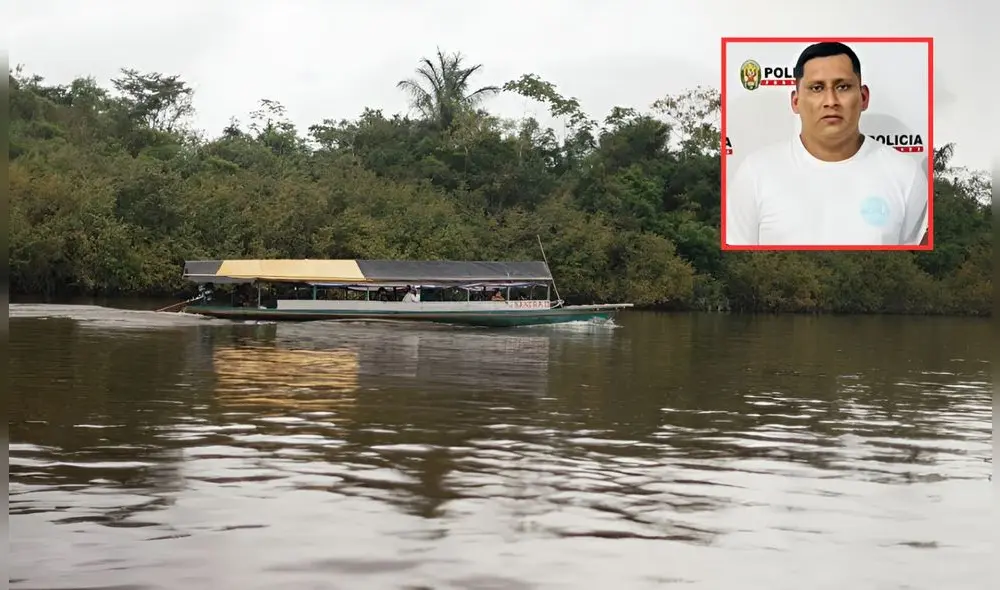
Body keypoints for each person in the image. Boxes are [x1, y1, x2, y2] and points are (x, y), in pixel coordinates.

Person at [725, 41, 929, 247]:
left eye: (843, 87)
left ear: (864, 97)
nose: (831, 101)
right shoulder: (755, 173)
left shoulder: (905, 175)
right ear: (795, 101)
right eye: (817, 88)